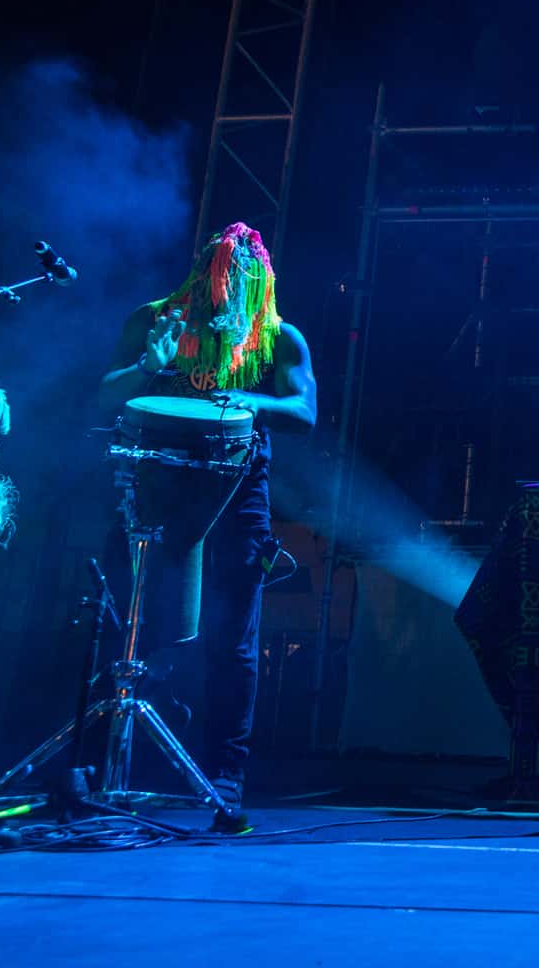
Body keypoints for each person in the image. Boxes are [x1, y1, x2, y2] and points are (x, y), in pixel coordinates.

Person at [99, 222, 316, 832]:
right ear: (201, 275)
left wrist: (247, 401)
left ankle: (224, 772)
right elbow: (104, 396)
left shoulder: (278, 338)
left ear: (260, 286)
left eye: (241, 284)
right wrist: (148, 366)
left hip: (237, 490)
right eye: (220, 280)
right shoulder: (154, 320)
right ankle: (113, 759)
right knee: (130, 619)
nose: (227, 293)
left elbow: (304, 411)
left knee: (233, 634)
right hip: (152, 483)